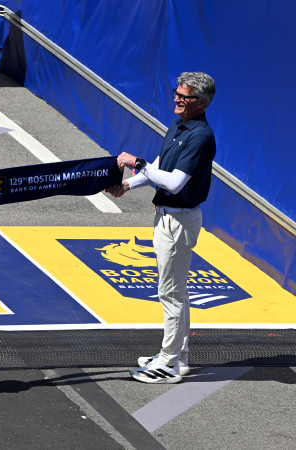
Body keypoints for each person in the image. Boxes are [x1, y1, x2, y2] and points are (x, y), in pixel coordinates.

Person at [105, 72, 216, 384]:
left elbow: (175, 182)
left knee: (170, 292)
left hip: (178, 220)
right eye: (177, 93)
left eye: (186, 96)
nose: (178, 99)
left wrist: (137, 163)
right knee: (174, 290)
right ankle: (178, 358)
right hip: (167, 216)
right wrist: (129, 184)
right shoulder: (179, 125)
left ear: (203, 102)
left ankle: (167, 364)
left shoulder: (200, 137)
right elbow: (160, 165)